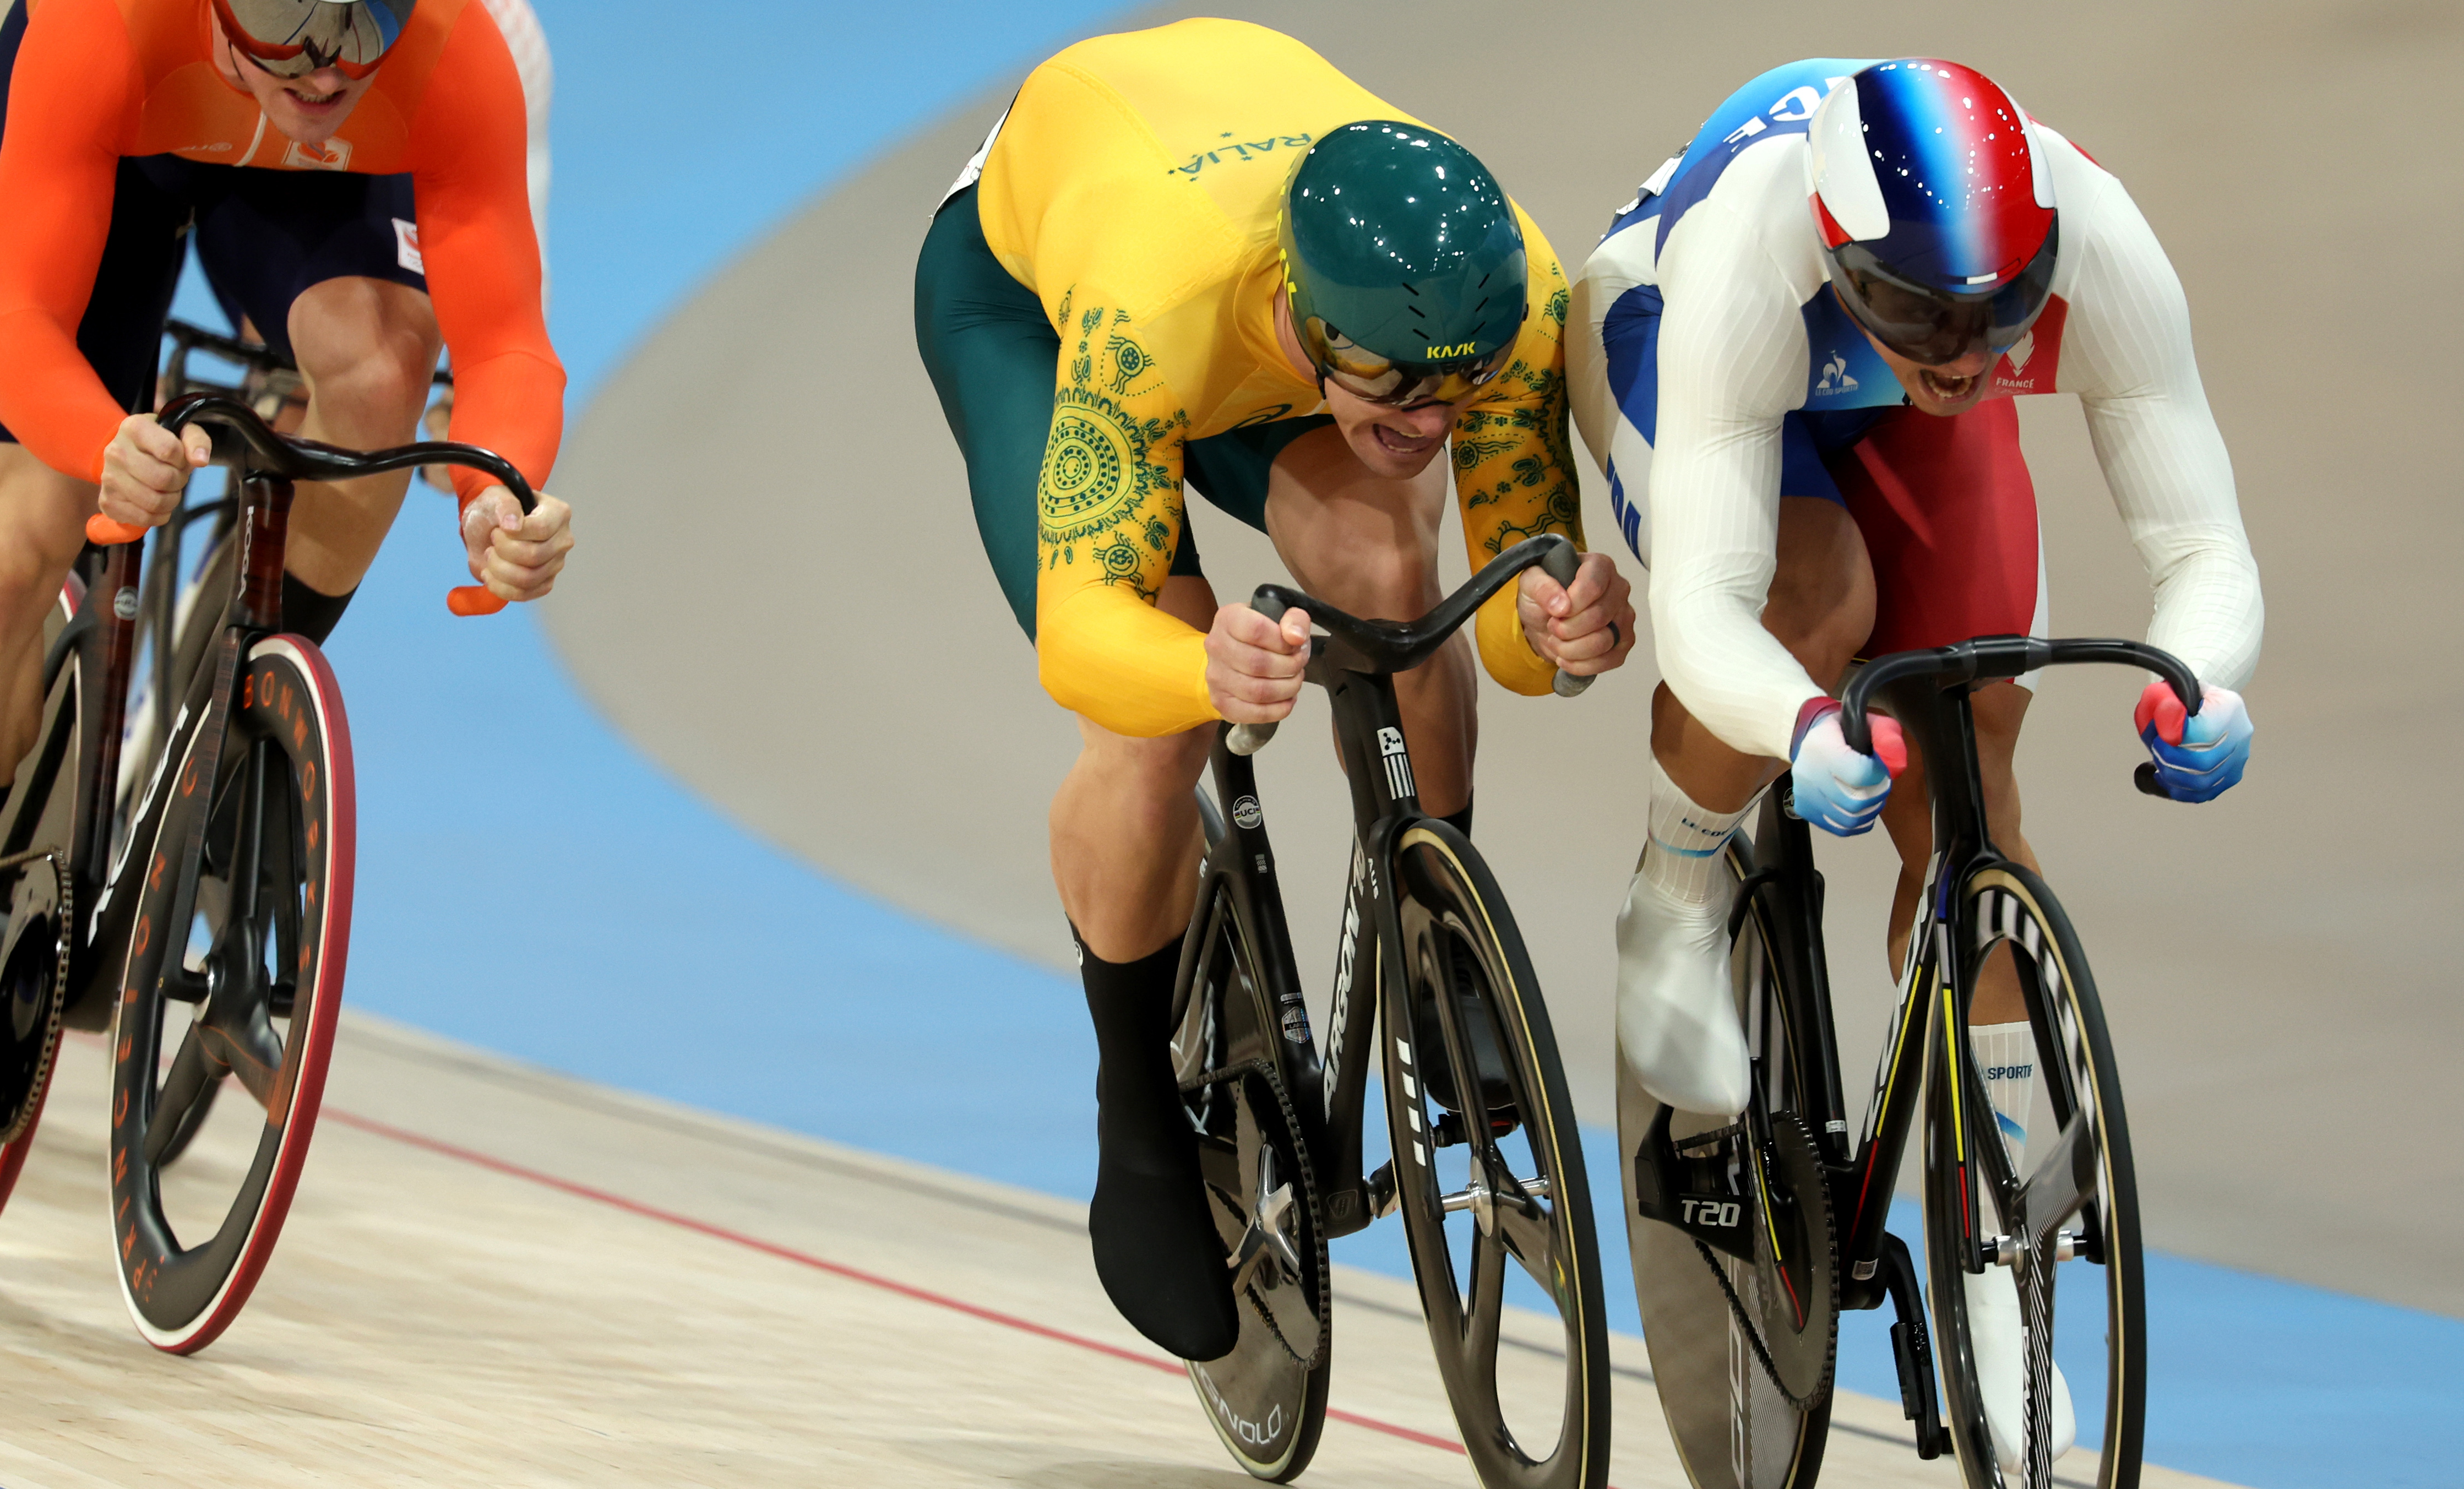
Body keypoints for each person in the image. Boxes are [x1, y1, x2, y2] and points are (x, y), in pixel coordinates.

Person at [1573, 58, 2262, 1471]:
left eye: (2004, 314)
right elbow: (1703, 606)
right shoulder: (1746, 265)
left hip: (1862, 382)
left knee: (1976, 769)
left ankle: (1998, 1246)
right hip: (1670, 331)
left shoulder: (2094, 238)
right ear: (1842, 261)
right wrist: (1797, 724)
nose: (1969, 350)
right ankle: (1679, 872)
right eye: (1927, 317)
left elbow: (2198, 546)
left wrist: (2204, 681)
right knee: (1810, 603)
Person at [916, 17, 1635, 1362]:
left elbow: (1512, 642)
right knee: (1155, 725)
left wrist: (1566, 624)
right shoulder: (1150, 303)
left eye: (1450, 397)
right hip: (1032, 299)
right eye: (1386, 391)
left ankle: (1437, 938)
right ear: (1310, 324)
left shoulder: (1504, 291)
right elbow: (1084, 634)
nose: (1424, 423)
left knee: (1387, 563)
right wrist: (1198, 661)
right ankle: (1135, 1107)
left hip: (1257, 302)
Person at [0, 0, 573, 1176]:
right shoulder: (100, 25)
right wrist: (100, 432)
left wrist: (504, 491)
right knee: (10, 562)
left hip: (290, 185)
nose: (326, 56)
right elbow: (15, 323)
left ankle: (230, 745)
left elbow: (505, 348)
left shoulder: (451, 53)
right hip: (122, 142)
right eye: (288, 14)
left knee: (389, 378)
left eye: (362, 14)